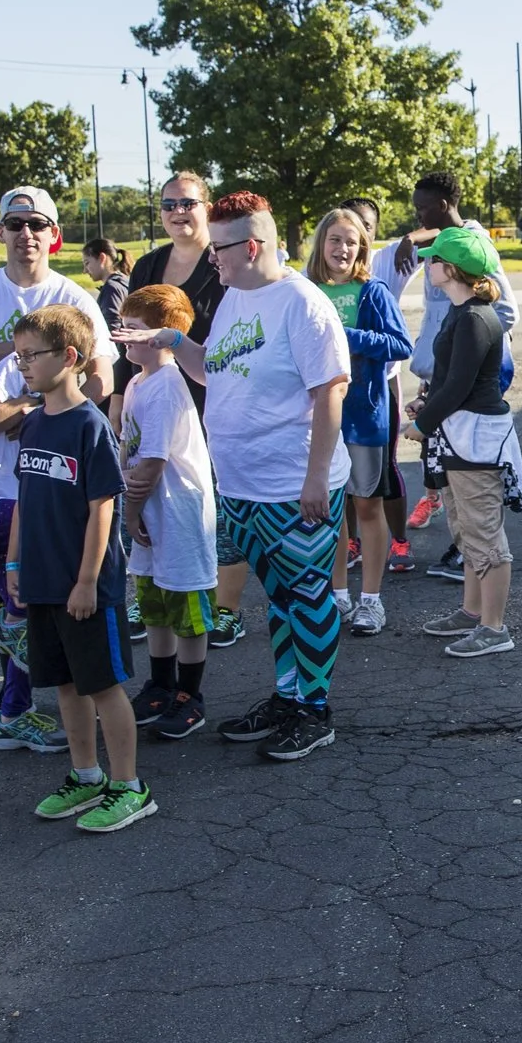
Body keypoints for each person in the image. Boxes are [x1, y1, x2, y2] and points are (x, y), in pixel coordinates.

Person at [124, 192, 351, 761]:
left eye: (219, 249)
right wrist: (176, 343)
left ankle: (315, 711)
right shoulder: (233, 299)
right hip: (242, 485)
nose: (210, 261)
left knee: (308, 597)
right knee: (278, 600)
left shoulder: (302, 303)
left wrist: (316, 478)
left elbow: (331, 391)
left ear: (251, 247)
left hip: (293, 487)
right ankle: (287, 696)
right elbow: (214, 373)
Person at [0, 187, 112, 755]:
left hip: (50, 480)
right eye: (15, 223)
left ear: (54, 233)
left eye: (37, 223)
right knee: (22, 594)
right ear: (1, 232)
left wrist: (27, 409)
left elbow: (101, 382)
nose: (26, 233)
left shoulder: (75, 297)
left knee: (30, 595)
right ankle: (13, 666)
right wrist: (1, 367)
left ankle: (13, 709)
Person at [5, 305, 154, 833]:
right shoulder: (34, 423)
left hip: (86, 586)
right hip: (44, 582)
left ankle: (129, 785)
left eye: (31, 355)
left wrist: (88, 580)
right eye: (18, 355)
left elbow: (103, 509)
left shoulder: (88, 426)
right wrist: (14, 560)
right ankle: (86, 774)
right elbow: (24, 497)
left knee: (102, 686)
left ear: (69, 358)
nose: (22, 365)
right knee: (65, 685)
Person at [117, 172, 250, 636]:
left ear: (206, 207)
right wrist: (120, 397)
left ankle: (225, 607)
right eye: (169, 204)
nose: (178, 212)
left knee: (210, 504)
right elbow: (127, 336)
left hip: (210, 402)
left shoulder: (224, 264)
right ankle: (158, 594)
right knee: (155, 504)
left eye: (187, 204)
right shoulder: (149, 265)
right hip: (152, 398)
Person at [383, 172, 515, 584]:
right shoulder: (437, 249)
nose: (417, 214)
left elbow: (505, 310)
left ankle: (473, 559)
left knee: (471, 478)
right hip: (444, 375)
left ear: (441, 205)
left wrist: (466, 353)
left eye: (421, 207)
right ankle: (466, 553)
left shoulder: (474, 249)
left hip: (470, 382)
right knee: (449, 474)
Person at [405, 226, 519, 658]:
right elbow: (450, 382)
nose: (427, 263)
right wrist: (427, 402)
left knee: (485, 534)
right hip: (459, 433)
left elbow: (460, 385)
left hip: (475, 438)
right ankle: (472, 614)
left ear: (450, 269)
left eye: (433, 259)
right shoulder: (461, 310)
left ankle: (494, 628)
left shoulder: (474, 317)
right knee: (465, 528)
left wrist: (424, 422)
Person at [114, 284, 221, 741]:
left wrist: (129, 513)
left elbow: (153, 462)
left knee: (187, 607)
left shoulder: (164, 386)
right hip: (151, 516)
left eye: (135, 330)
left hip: (178, 516)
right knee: (154, 605)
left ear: (163, 335)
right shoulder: (138, 382)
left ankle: (189, 695)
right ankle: (160, 684)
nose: (125, 337)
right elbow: (128, 449)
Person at [303, 208, 411, 638]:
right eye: (334, 240)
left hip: (364, 415)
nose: (342, 249)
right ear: (321, 244)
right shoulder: (305, 290)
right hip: (315, 417)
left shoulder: (373, 291)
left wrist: (347, 336)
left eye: (351, 241)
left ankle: (372, 601)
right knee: (330, 510)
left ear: (362, 247)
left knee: (366, 504)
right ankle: (339, 595)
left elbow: (400, 344)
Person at [82, 239, 129, 333]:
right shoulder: (124, 281)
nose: (85, 271)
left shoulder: (112, 288)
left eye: (87, 263)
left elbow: (111, 330)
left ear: (102, 258)